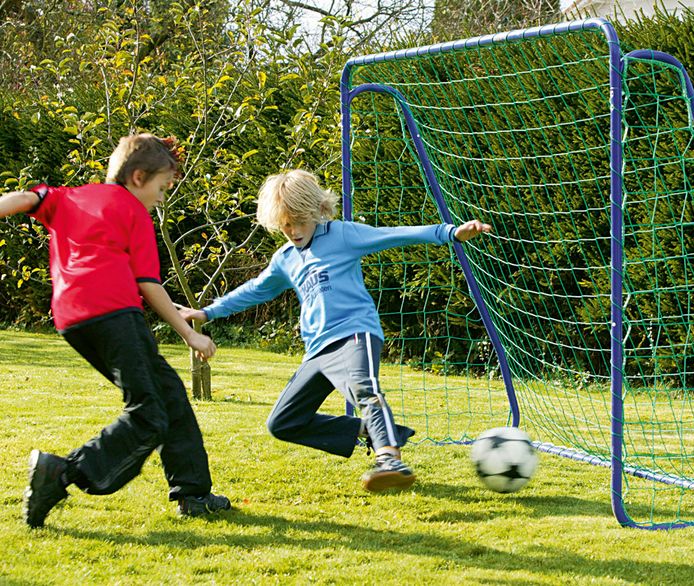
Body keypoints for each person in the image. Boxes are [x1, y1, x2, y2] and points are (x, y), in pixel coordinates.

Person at [179, 169, 491, 492]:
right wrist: (206, 311)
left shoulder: (340, 235)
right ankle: (373, 430)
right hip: (317, 350)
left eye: (299, 221)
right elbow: (255, 290)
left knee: (364, 389)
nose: (293, 231)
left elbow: (392, 235)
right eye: (285, 225)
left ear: (315, 210)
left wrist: (450, 233)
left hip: (355, 332)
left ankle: (389, 459)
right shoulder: (285, 259)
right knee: (282, 422)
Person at [0, 133, 231, 528]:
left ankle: (193, 492)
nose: (162, 197)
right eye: (162, 187)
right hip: (112, 313)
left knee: (169, 394)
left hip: (72, 319)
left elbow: (24, 198)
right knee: (148, 413)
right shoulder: (133, 211)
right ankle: (63, 472)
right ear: (139, 177)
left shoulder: (70, 195)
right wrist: (190, 334)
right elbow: (148, 283)